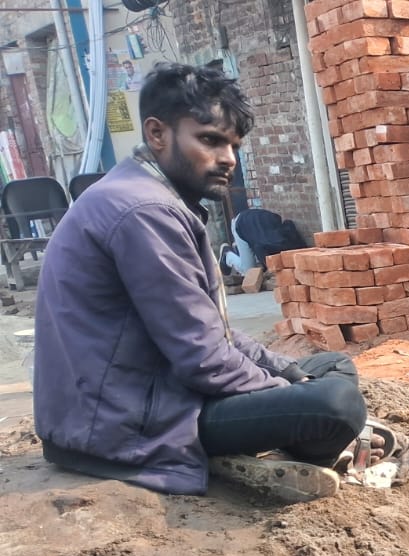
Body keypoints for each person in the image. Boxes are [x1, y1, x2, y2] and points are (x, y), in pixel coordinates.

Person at [33, 62, 365, 498]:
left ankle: (278, 444)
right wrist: (287, 391)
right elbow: (203, 359)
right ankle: (269, 457)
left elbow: (212, 332)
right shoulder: (145, 211)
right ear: (157, 134)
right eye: (209, 140)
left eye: (233, 145)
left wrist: (289, 374)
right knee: (336, 407)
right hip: (123, 424)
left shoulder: (147, 195)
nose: (227, 158)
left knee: (330, 367)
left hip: (140, 398)